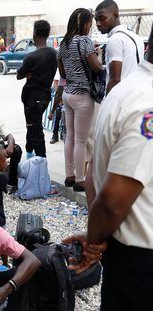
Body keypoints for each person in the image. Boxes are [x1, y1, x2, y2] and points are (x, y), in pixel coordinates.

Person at [64, 26, 153, 311]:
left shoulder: (123, 91)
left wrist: (97, 240)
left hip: (124, 253)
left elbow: (92, 177)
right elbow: (113, 200)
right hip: (141, 262)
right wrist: (94, 241)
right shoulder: (148, 104)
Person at [58, 9, 102, 191]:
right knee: (81, 140)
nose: (91, 27)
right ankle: (80, 180)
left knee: (70, 138)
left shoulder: (63, 43)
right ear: (84, 23)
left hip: (67, 94)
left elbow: (62, 73)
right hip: (82, 95)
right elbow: (97, 67)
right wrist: (98, 53)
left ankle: (69, 176)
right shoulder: (85, 41)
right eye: (90, 24)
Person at [17, 20, 58, 159]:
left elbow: (18, 75)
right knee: (33, 127)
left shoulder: (31, 57)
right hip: (45, 97)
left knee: (36, 131)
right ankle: (30, 155)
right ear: (47, 34)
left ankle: (41, 165)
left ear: (35, 34)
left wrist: (27, 73)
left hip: (32, 99)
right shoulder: (54, 54)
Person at [95, 0, 144, 95]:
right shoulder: (136, 37)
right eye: (96, 20)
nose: (98, 23)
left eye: (102, 18)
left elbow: (115, 79)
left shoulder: (115, 39)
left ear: (116, 15)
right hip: (136, 95)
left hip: (121, 98)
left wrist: (108, 103)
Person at [48, 69, 66, 144]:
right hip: (62, 96)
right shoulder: (60, 69)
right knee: (58, 112)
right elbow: (56, 83)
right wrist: (60, 98)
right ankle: (55, 135)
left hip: (71, 96)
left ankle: (63, 133)